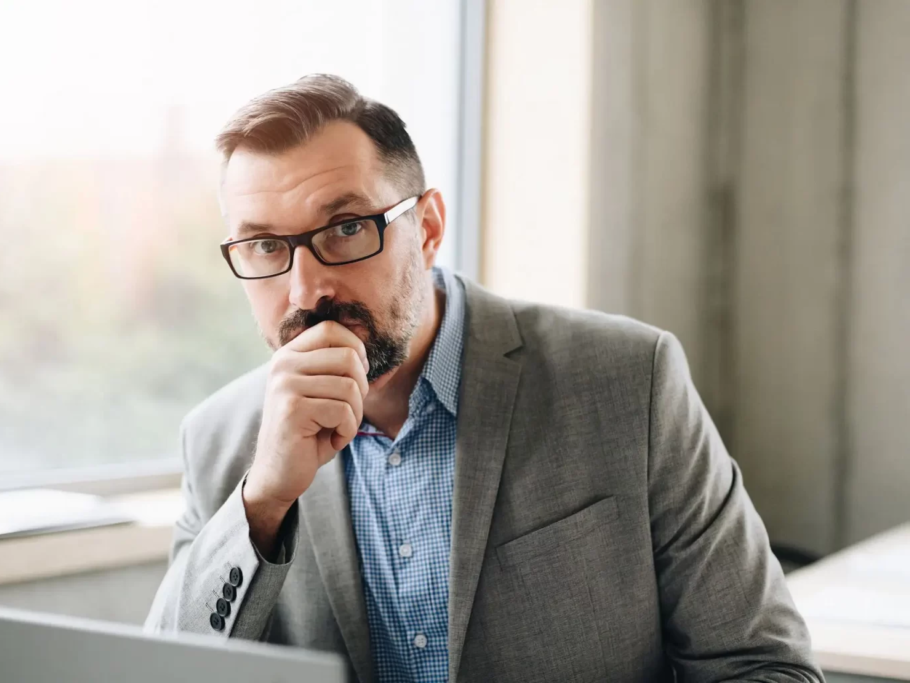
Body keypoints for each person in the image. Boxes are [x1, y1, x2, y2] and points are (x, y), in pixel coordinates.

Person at [145, 74, 822, 683]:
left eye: (346, 228)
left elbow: (764, 666)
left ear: (427, 228)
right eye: (266, 245)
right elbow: (162, 670)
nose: (306, 289)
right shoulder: (220, 442)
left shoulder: (628, 382)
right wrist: (263, 502)